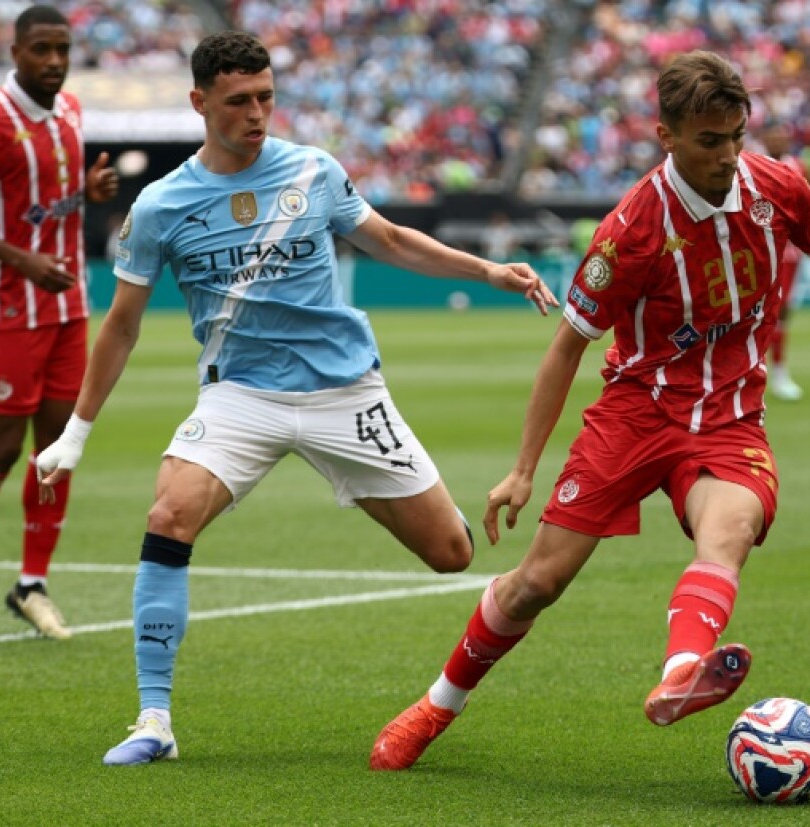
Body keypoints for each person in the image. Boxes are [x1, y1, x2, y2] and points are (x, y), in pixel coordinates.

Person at [33, 31, 558, 766]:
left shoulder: (313, 170)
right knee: (168, 514)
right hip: (240, 397)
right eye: (239, 101)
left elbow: (392, 240)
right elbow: (120, 325)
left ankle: (391, 498)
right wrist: (78, 432)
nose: (257, 113)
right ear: (199, 103)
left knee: (450, 552)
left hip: (346, 392)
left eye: (266, 98)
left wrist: (487, 271)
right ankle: (154, 719)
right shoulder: (160, 206)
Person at [369, 50, 810, 772]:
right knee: (535, 584)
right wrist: (523, 469)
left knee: (729, 527)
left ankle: (682, 670)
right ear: (666, 135)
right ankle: (436, 705)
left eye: (737, 135)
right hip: (635, 415)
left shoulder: (779, 189)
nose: (728, 155)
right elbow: (565, 349)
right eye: (710, 141)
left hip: (730, 414)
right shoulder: (630, 232)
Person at [0, 5, 120, 639]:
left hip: (68, 306)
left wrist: (88, 195)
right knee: (5, 447)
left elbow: (46, 202)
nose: (54, 61)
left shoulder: (70, 111)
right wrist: (22, 260)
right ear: (15, 52)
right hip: (7, 307)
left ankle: (31, 584)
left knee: (57, 450)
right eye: (41, 49)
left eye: (62, 49)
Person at [760, 120, 808, 402]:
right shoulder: (750, 164)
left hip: (788, 249)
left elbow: (809, 204)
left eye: (781, 135)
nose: (777, 140)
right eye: (772, 135)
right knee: (757, 309)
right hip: (759, 245)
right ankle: (754, 372)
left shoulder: (799, 167)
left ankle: (778, 372)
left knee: (783, 309)